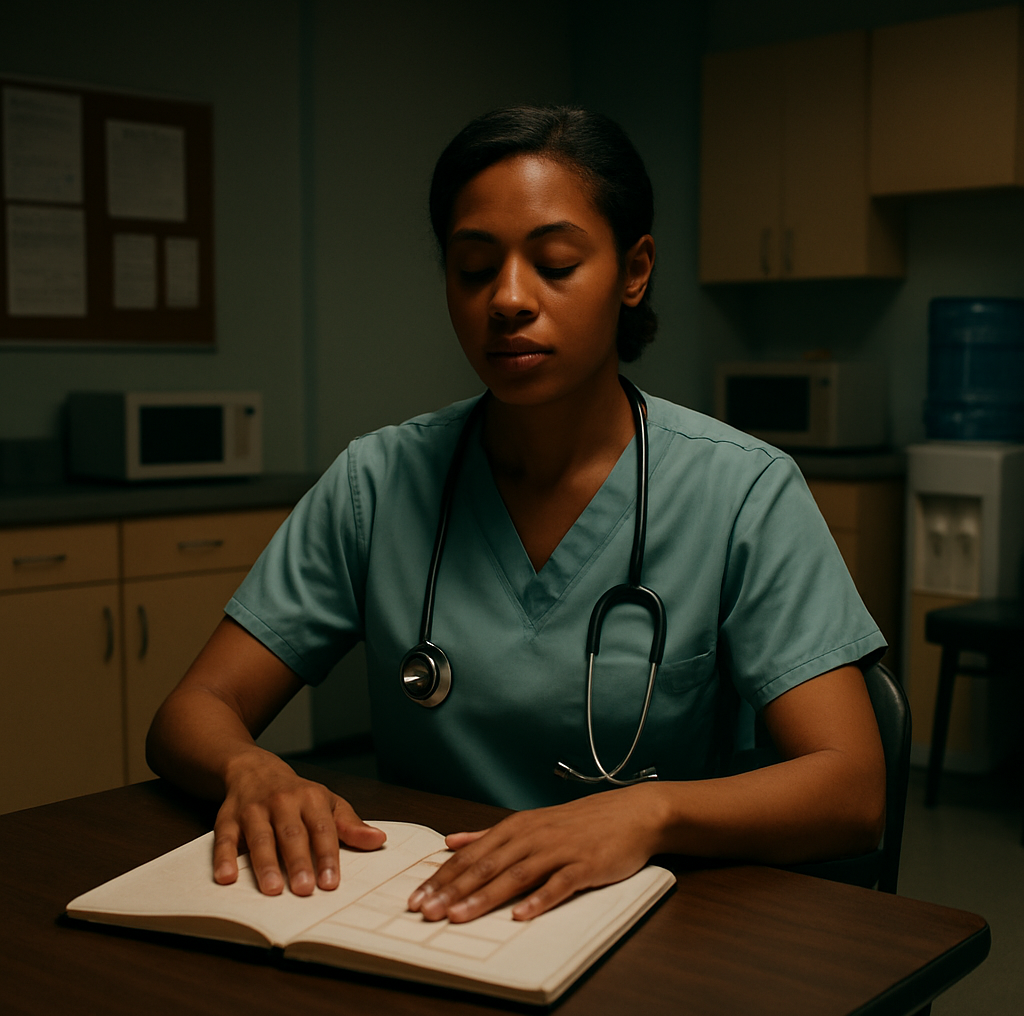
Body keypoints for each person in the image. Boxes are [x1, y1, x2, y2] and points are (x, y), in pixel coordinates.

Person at [147, 105, 886, 926]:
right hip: (421, 916)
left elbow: (851, 786)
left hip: (649, 923)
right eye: (472, 268)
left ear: (634, 270)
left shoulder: (740, 491)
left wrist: (650, 813)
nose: (506, 299)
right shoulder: (379, 481)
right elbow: (192, 711)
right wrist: (251, 770)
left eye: (557, 263)